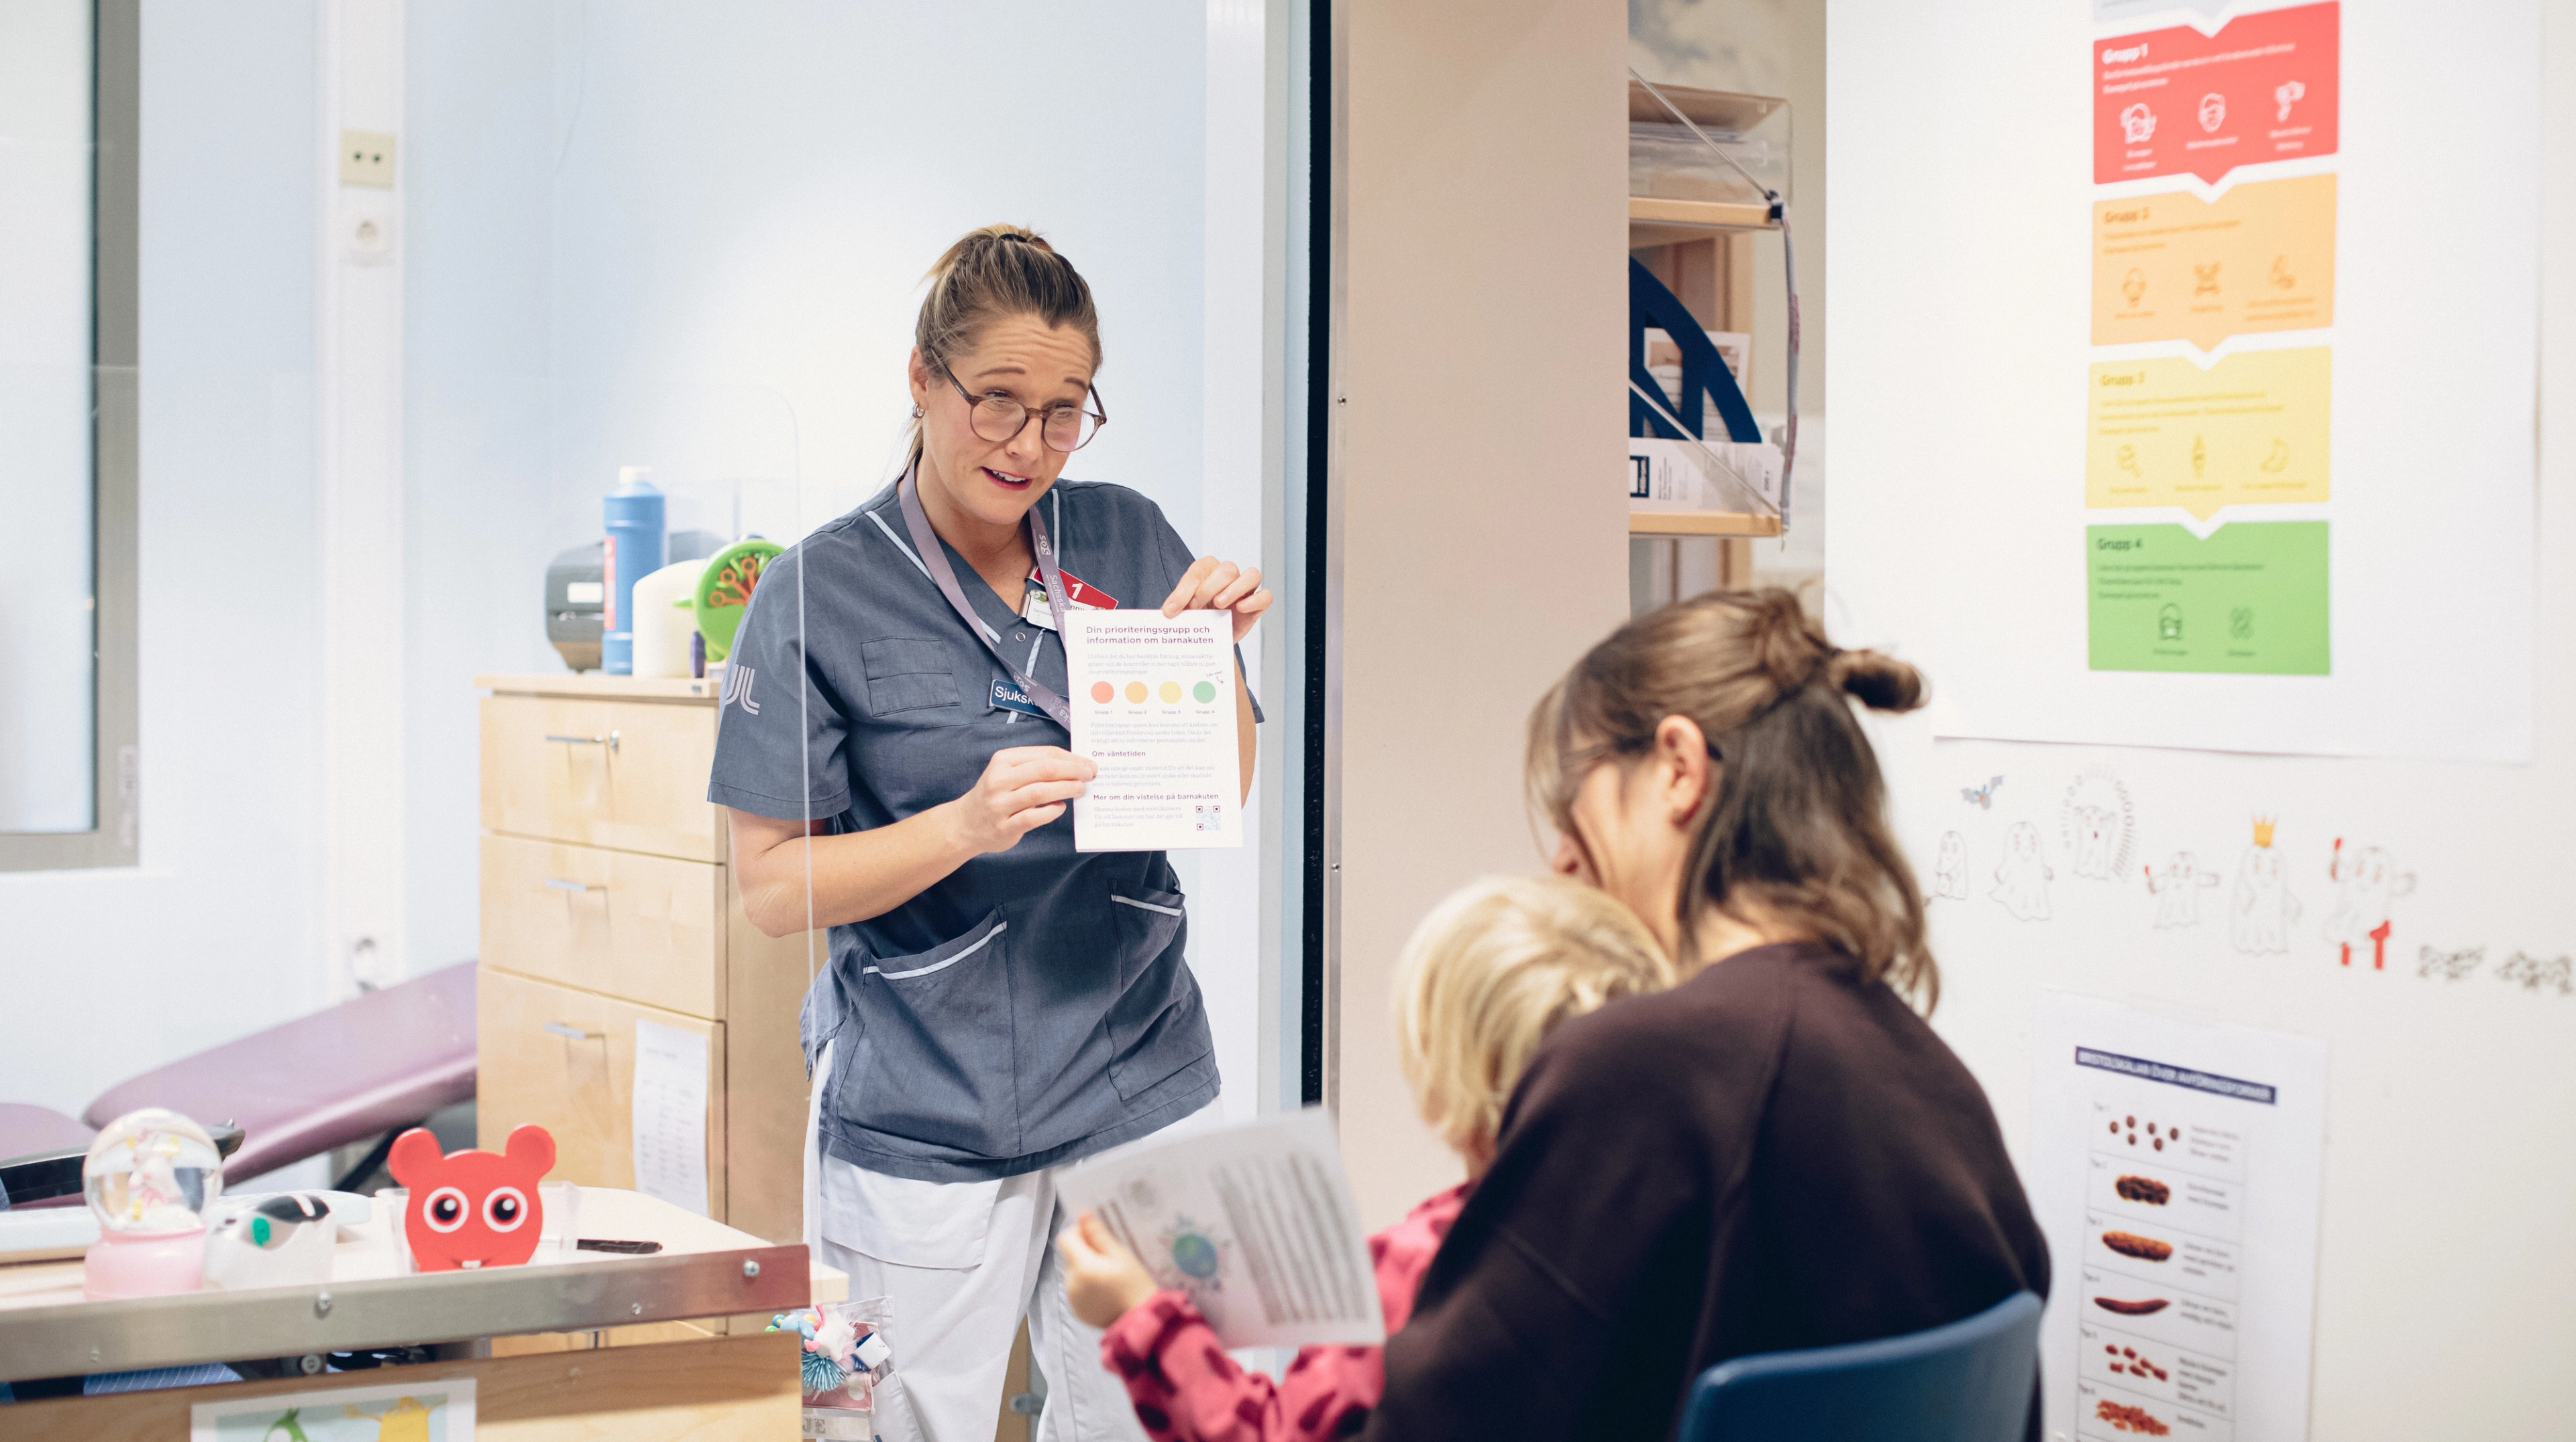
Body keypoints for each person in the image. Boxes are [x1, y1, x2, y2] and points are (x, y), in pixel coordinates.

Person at [708, 223, 1273, 1442]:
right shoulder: (813, 593)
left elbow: (1220, 788)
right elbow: (768, 886)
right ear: (922, 379)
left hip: (1139, 1069)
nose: (1030, 447)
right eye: (999, 404)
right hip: (918, 1104)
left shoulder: (1126, 533)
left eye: (1065, 412)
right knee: (877, 1425)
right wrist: (960, 826)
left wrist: (1209, 660)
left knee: (1166, 1420)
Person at [1360, 589, 2050, 1441]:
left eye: (1575, 806)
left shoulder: (1637, 1065)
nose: (1566, 861)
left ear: (1678, 767)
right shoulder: (1936, 1083)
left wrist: (1146, 1316)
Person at [1054, 876, 1673, 1442]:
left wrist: (1143, 1318)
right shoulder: (1681, 1239)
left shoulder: (1425, 1274)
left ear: (1441, 1084)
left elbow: (1272, 1434)